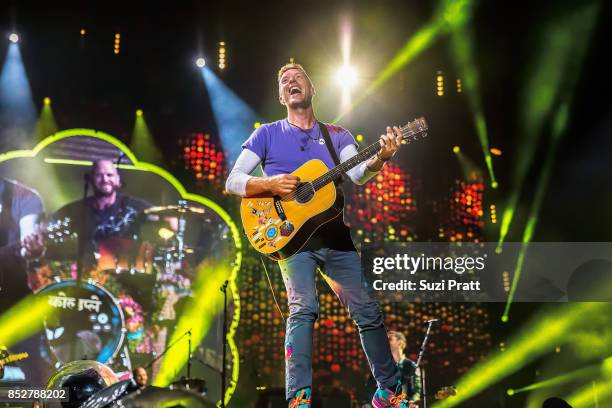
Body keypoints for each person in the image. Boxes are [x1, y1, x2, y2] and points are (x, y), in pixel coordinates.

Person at [226, 63, 408, 407]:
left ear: (311, 89)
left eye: (298, 77)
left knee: (367, 311)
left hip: (335, 237)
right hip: (290, 236)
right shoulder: (266, 134)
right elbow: (233, 180)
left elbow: (356, 173)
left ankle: (390, 392)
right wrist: (268, 183)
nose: (291, 81)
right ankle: (299, 399)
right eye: (284, 80)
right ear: (281, 96)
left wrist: (381, 158)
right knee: (303, 310)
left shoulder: (337, 134)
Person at [51, 159, 151, 272]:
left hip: (128, 275)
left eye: (110, 175)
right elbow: (50, 227)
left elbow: (164, 215)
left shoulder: (134, 206)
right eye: (99, 175)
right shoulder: (76, 210)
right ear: (91, 179)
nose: (105, 179)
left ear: (118, 179)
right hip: (89, 276)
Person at [362, 331, 421, 408]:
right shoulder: (380, 365)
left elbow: (416, 391)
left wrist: (410, 403)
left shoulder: (411, 366)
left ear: (400, 343)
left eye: (389, 339)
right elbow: (370, 387)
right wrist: (368, 403)